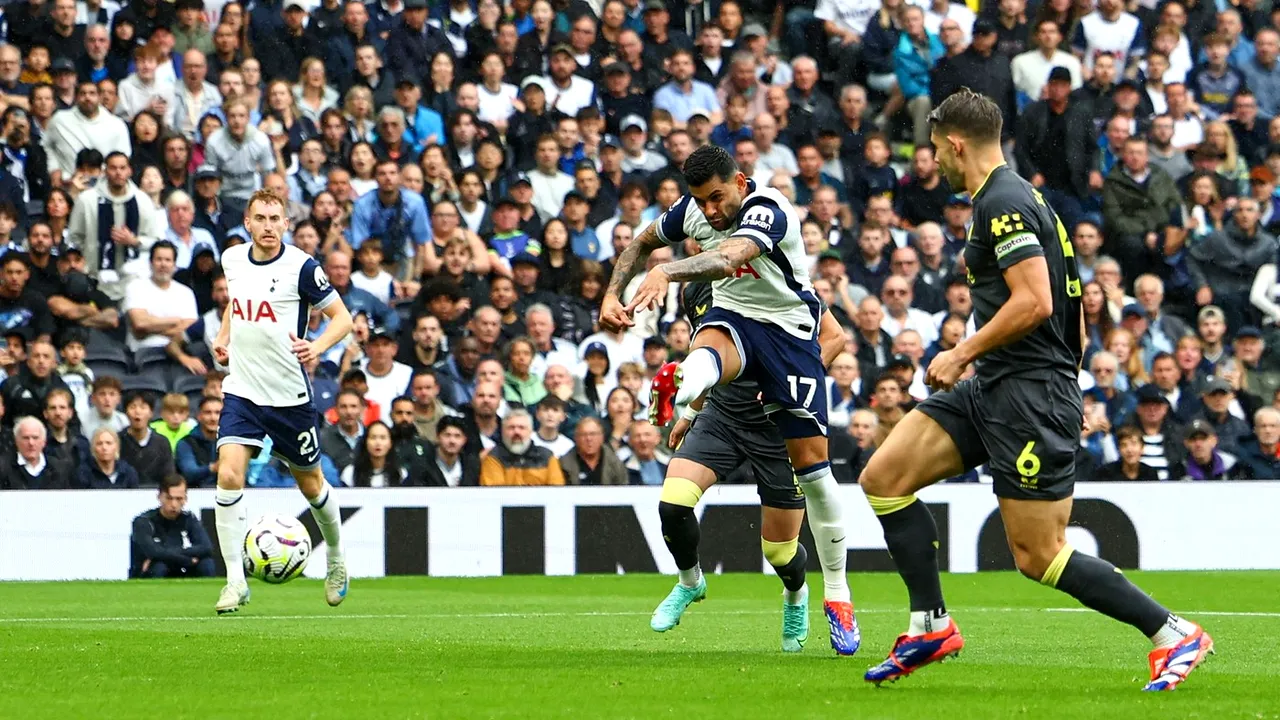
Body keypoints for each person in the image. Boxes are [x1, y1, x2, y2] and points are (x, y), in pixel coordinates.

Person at [857, 90, 1211, 690]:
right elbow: (1067, 306)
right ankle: (930, 625)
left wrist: (968, 353)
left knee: (1038, 554)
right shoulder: (1014, 197)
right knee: (884, 480)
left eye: (937, 148)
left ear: (956, 143)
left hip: (1026, 394)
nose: (934, 159)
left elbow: (1037, 300)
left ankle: (1174, 634)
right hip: (1000, 384)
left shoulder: (1003, 201)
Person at [599, 144, 857, 653]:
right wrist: (611, 293)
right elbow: (639, 243)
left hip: (784, 347)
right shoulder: (695, 231)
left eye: (717, 198)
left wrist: (665, 271)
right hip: (728, 372)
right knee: (674, 500)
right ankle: (684, 385)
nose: (710, 212)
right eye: (701, 203)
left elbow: (733, 254)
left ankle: (822, 594)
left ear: (740, 181)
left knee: (785, 542)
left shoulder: (770, 209)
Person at [211, 189, 354, 615]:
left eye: (277, 218)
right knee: (229, 475)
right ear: (248, 223)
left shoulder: (302, 268)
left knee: (311, 484)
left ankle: (336, 558)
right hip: (243, 390)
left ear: (286, 224)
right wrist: (223, 338)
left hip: (289, 397)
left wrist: (319, 346)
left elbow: (343, 319)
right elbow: (236, 305)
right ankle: (235, 581)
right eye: (262, 218)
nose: (269, 226)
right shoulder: (233, 259)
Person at [129, 474, 215, 578]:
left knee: (207, 564)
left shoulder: (189, 519)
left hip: (180, 567)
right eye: (169, 498)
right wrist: (188, 560)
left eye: (179, 499)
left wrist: (168, 553)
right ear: (159, 497)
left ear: (185, 499)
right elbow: (153, 552)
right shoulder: (143, 521)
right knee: (159, 566)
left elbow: (206, 547)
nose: (174, 504)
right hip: (150, 570)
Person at [479, 408, 563, 486]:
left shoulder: (547, 457)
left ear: (530, 431)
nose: (516, 432)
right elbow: (494, 495)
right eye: (511, 428)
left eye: (521, 428)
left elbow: (556, 493)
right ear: (502, 431)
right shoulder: (494, 457)